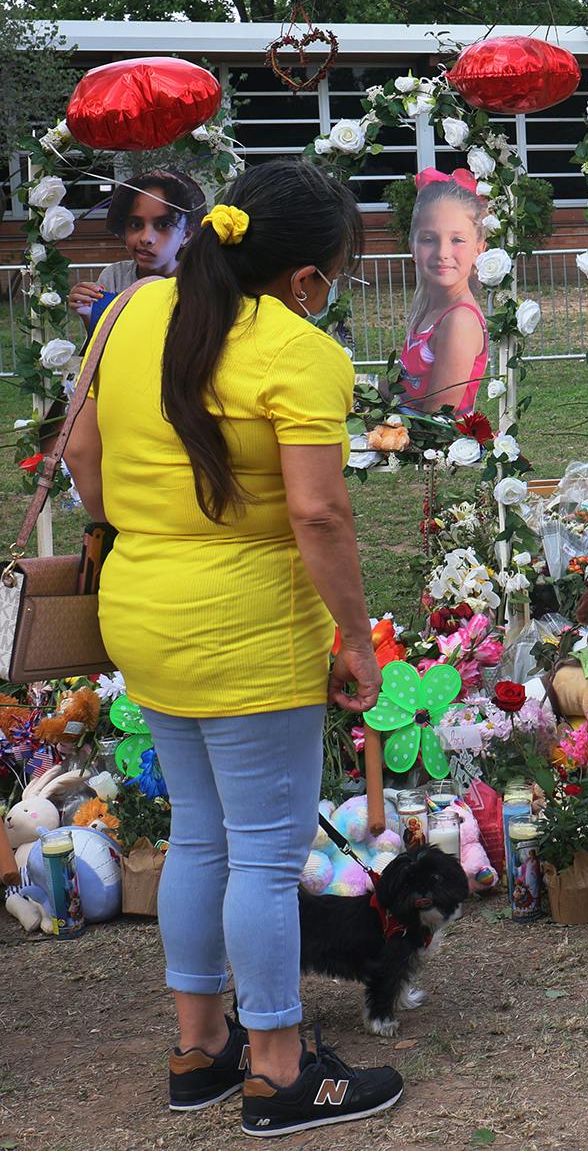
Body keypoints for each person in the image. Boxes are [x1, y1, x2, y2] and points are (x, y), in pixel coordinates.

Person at [61, 159, 404, 1137]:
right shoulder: (299, 353)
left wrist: (140, 524)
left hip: (144, 613)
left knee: (202, 834)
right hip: (248, 628)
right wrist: (355, 641)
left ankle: (198, 1049)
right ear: (305, 279)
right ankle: (280, 1069)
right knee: (262, 851)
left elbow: (78, 452)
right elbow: (318, 512)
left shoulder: (128, 314)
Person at [394, 169, 490, 415]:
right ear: (412, 247)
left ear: (479, 248)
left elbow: (438, 418)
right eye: (428, 239)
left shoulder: (459, 321)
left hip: (436, 450)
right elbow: (404, 389)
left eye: (457, 240)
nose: (442, 252)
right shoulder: (431, 308)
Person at [69, 167, 206, 334]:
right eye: (136, 224)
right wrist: (89, 313)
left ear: (187, 235)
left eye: (163, 225)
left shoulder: (200, 282)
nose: (146, 238)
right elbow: (105, 340)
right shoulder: (114, 277)